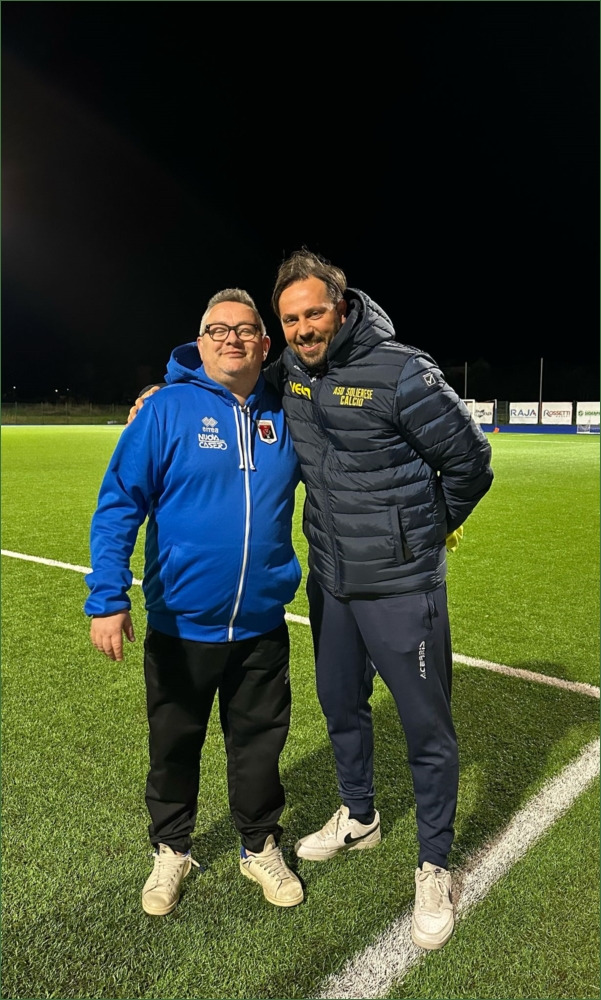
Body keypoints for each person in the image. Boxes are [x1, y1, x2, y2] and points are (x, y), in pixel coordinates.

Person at [132, 251, 493, 949]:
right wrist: (164, 388)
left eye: (314, 313)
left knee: (425, 728)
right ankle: (359, 816)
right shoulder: (290, 374)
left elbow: (470, 461)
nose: (303, 328)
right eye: (291, 318)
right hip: (331, 580)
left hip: (400, 584)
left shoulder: (402, 371)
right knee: (340, 705)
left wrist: (422, 532)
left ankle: (434, 864)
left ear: (342, 307)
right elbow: (226, 370)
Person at [85, 289, 304, 916]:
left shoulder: (289, 411)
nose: (232, 339)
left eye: (246, 330)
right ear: (200, 342)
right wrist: (108, 598)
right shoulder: (164, 409)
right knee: (174, 747)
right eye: (218, 330)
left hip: (261, 626)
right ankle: (171, 849)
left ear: (265, 343)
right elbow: (119, 505)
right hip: (181, 625)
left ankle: (259, 846)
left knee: (260, 746)